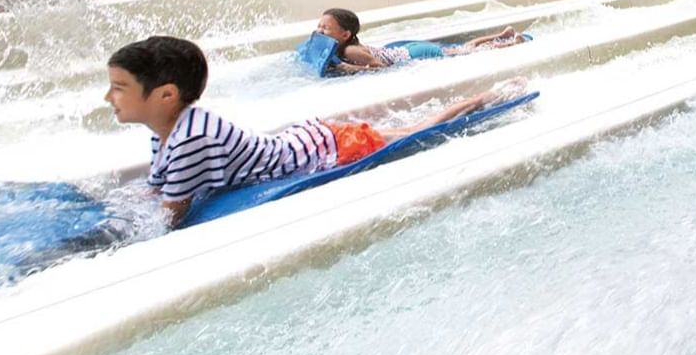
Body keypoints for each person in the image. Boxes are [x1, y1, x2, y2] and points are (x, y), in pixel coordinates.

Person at [106, 35, 530, 225]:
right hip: (304, 139)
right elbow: (156, 187)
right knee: (401, 127)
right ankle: (479, 95)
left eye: (120, 87)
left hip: (329, 148)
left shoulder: (190, 136)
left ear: (165, 95)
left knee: (415, 129)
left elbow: (168, 217)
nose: (110, 98)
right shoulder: (165, 129)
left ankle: (483, 99)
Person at [315, 7, 526, 73]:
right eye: (320, 26)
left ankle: (508, 42)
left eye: (326, 28)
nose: (320, 31)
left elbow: (379, 69)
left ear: (345, 35)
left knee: (464, 51)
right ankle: (502, 35)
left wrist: (347, 68)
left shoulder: (350, 52)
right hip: (406, 49)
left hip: (413, 53)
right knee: (460, 49)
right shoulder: (346, 47)